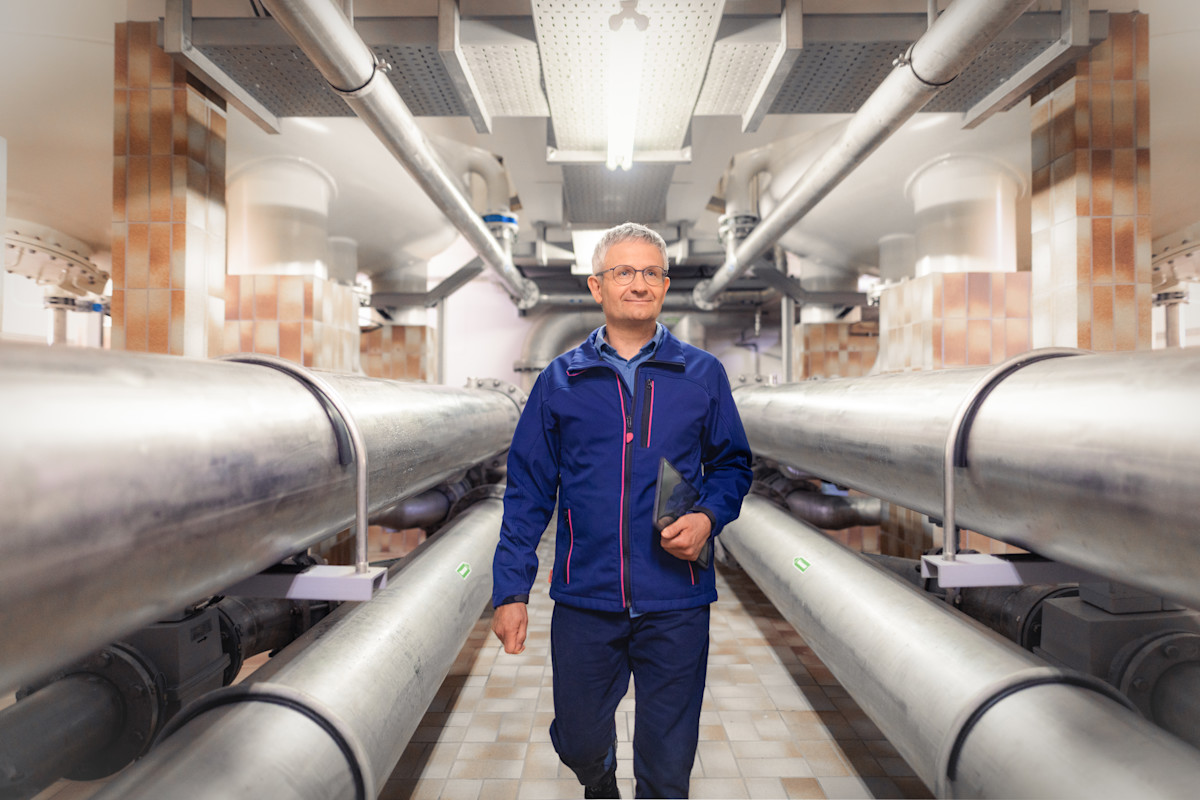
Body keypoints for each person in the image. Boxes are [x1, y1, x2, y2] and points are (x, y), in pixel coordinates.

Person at [491, 222, 753, 799]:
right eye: (624, 272)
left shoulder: (702, 374)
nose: (639, 283)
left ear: (665, 285)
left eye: (651, 272)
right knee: (580, 737)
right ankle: (599, 772)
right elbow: (528, 491)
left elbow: (734, 467)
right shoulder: (561, 381)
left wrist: (709, 516)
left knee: (667, 767)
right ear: (596, 286)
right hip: (587, 598)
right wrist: (511, 592)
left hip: (677, 598)